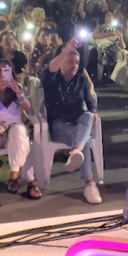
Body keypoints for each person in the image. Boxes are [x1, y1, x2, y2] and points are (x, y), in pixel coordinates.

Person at [41, 38, 102, 204]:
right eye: (70, 61)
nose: (74, 65)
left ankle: (76, 150)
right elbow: (50, 70)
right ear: (62, 62)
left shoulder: (81, 80)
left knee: (89, 116)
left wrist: (94, 111)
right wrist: (65, 52)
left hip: (78, 120)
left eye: (76, 62)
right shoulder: (52, 80)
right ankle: (89, 184)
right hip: (59, 124)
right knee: (86, 141)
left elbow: (89, 101)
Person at [0, 59, 41, 199]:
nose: (2, 74)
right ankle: (30, 181)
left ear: (11, 73)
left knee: (18, 132)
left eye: (6, 71)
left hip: (15, 130)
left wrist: (19, 93)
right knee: (23, 142)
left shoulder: (16, 87)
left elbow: (28, 108)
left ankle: (13, 176)